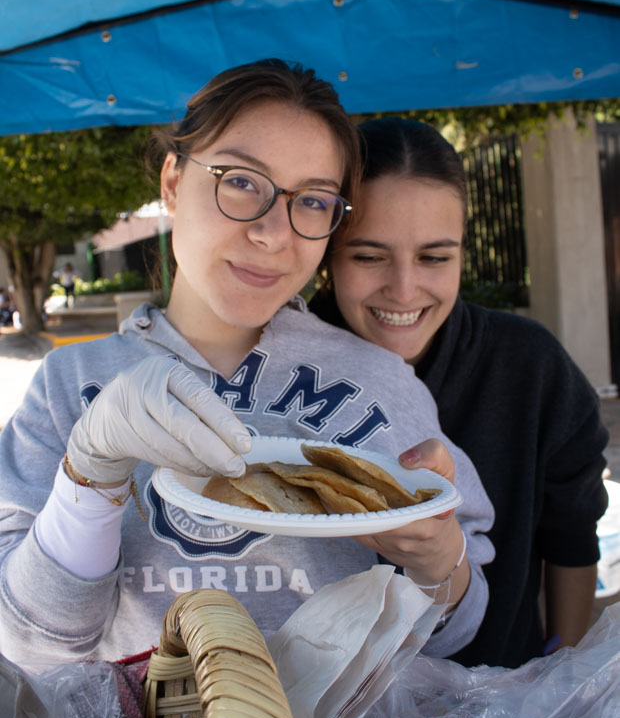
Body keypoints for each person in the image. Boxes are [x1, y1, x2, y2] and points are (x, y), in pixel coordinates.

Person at [0, 61, 494, 671]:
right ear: (174, 182)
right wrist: (90, 480)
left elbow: (453, 633)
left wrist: (438, 562)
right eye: (240, 180)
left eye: (311, 200)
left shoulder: (382, 382)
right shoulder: (65, 385)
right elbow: (28, 645)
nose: (272, 232)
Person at [310, 116, 609, 668]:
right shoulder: (281, 362)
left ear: (464, 251)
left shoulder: (531, 365)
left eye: (434, 257)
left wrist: (556, 671)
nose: (403, 290)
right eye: (368, 256)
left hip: (498, 709)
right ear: (328, 254)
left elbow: (572, 532)